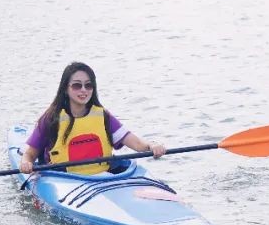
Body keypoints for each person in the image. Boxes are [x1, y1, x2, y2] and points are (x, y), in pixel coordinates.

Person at [19, 62, 166, 175]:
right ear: (65, 89)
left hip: (103, 175)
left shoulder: (103, 116)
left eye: (88, 85)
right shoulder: (51, 119)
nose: (83, 90)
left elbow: (136, 143)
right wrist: (26, 162)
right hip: (64, 178)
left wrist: (152, 145)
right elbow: (30, 154)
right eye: (77, 85)